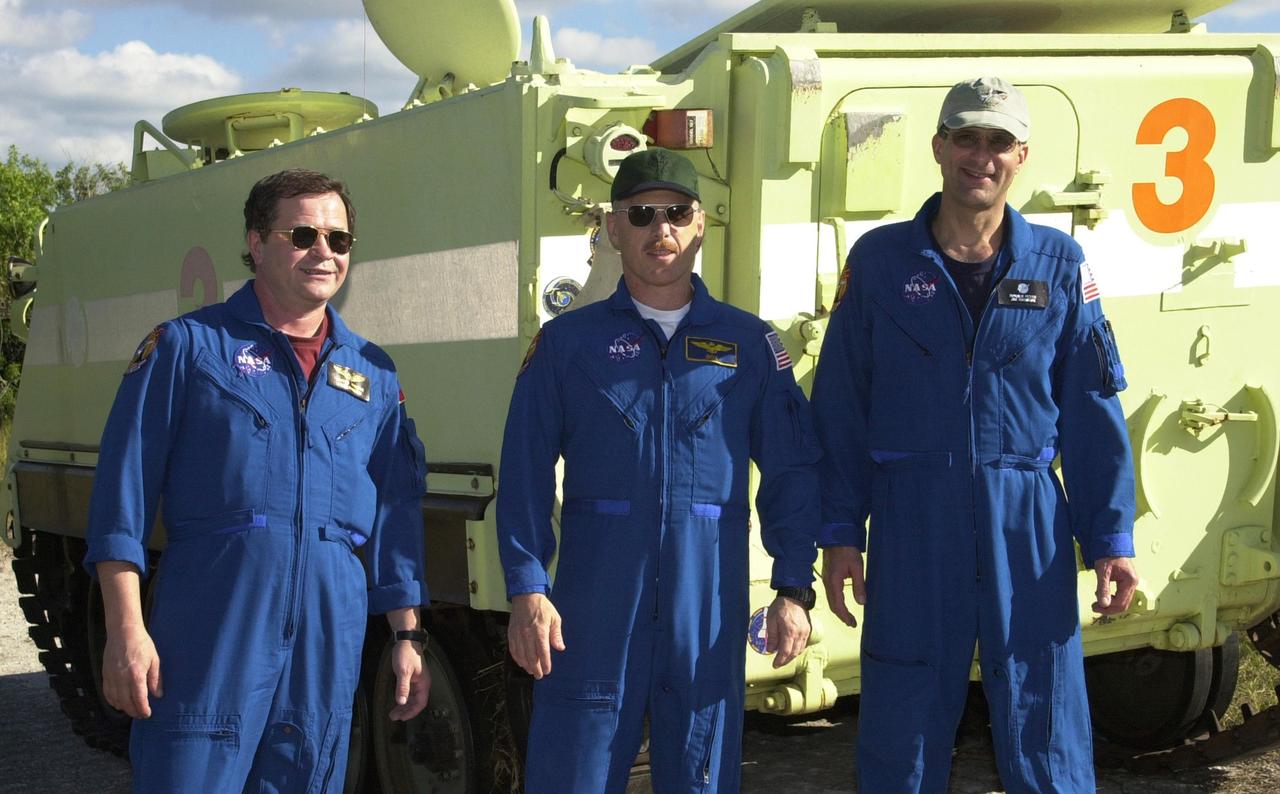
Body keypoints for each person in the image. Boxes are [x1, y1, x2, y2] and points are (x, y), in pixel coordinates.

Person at [812, 77, 1139, 792]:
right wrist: (840, 531)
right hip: (910, 516)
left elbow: (1091, 410)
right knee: (903, 710)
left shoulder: (1059, 263)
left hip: (1026, 519)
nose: (980, 156)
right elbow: (840, 406)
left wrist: (1111, 539)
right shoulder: (880, 263)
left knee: (1044, 705)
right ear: (939, 146)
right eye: (966, 137)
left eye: (997, 141)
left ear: (1021, 155)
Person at [84, 168, 431, 792]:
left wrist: (407, 634)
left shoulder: (373, 373)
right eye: (302, 234)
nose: (323, 251)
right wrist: (126, 630)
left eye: (339, 239)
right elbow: (121, 502)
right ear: (256, 241)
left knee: (308, 774)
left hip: (331, 624)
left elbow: (394, 516)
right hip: (214, 616)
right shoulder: (187, 349)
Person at [498, 148, 821, 793]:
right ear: (614, 230)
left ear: (700, 225)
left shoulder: (749, 345)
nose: (660, 231)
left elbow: (793, 470)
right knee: (573, 773)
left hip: (707, 601)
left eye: (676, 214)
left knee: (701, 773)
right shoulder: (569, 344)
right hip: (593, 601)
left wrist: (792, 587)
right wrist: (528, 588)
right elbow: (525, 471)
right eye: (641, 215)